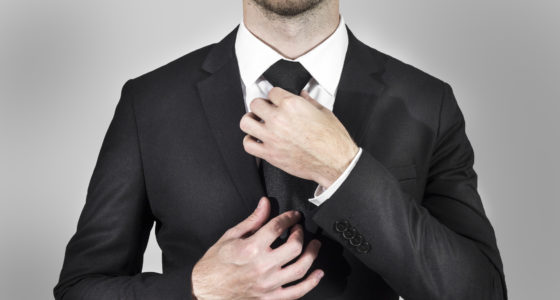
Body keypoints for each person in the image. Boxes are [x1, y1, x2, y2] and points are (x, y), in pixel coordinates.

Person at [54, 0, 507, 299]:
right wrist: (198, 287)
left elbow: (480, 292)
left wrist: (344, 171)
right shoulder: (149, 102)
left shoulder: (429, 103)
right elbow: (80, 289)